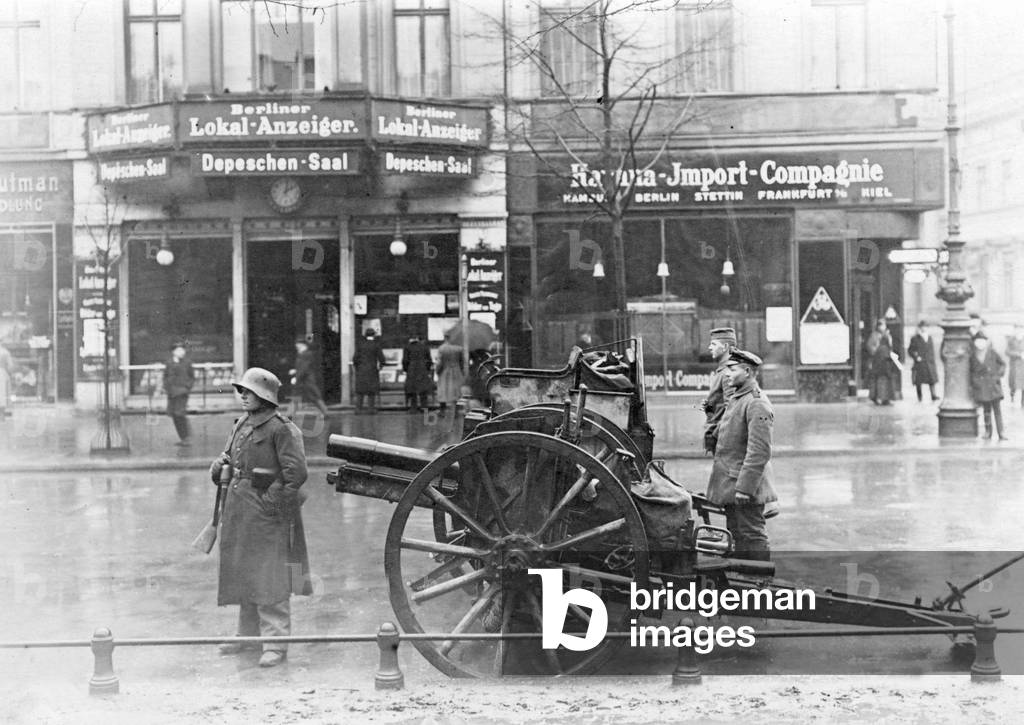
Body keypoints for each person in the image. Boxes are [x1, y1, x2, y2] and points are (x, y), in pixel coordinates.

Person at [209, 368, 312, 668]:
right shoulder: (242, 423)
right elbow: (232, 459)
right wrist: (218, 467)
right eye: (240, 390)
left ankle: (276, 642)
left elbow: (296, 474)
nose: (242, 395)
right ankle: (248, 636)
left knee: (271, 576)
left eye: (248, 391)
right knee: (244, 571)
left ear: (264, 395)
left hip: (268, 515)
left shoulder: (282, 428)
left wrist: (270, 504)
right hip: (239, 510)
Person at [705, 350, 778, 561]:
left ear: (747, 372)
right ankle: (743, 579)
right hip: (732, 483)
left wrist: (745, 489)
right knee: (737, 534)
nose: (726, 373)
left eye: (732, 369)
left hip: (744, 486)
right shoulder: (739, 398)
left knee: (752, 535)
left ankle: (760, 581)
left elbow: (759, 451)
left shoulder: (757, 403)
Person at [699, 327, 737, 455]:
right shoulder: (722, 370)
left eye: (713, 344)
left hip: (723, 440)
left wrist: (714, 434)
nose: (709, 348)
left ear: (725, 346)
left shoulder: (728, 372)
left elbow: (732, 410)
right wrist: (709, 407)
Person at [969, 332, 1007, 441]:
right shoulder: (972, 356)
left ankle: (1001, 432)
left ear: (986, 342)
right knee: (986, 411)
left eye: (982, 341)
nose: (980, 343)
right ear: (974, 343)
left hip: (993, 386)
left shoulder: (992, 353)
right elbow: (970, 371)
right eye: (977, 341)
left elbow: (1002, 364)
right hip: (981, 387)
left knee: (997, 410)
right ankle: (988, 431)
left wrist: (997, 375)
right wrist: (974, 381)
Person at [164, 342, 195, 446]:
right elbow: (166, 376)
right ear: (174, 352)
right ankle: (183, 437)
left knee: (179, 413)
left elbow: (192, 377)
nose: (182, 352)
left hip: (182, 392)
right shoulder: (169, 363)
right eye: (179, 350)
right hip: (172, 393)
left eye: (183, 349)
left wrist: (187, 387)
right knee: (174, 415)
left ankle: (187, 437)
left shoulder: (187, 362)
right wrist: (167, 388)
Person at [352, 328, 385, 414]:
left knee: (360, 391)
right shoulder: (376, 345)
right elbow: (382, 359)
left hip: (361, 369)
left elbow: (355, 358)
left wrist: (357, 367)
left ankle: (358, 409)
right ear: (373, 335)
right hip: (372, 369)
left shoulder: (360, 345)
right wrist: (380, 367)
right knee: (371, 391)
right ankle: (371, 409)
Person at [291, 339, 328, 416]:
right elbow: (301, 367)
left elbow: (304, 368)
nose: (296, 346)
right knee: (297, 396)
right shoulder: (302, 354)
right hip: (304, 379)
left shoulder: (306, 354)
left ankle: (325, 413)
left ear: (303, 345)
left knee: (314, 396)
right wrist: (295, 371)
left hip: (306, 379)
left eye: (298, 345)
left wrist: (296, 378)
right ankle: (291, 414)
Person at [865, 320, 897, 405]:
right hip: (877, 360)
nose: (882, 327)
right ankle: (877, 397)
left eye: (883, 325)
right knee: (878, 379)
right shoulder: (874, 335)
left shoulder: (887, 335)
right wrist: (876, 351)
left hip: (886, 360)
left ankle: (886, 398)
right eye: (881, 325)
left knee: (886, 379)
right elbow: (870, 346)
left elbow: (890, 347)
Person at [907, 320, 939, 403]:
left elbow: (931, 350)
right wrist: (916, 357)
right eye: (922, 327)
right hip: (920, 362)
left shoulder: (929, 337)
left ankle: (933, 395)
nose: (924, 328)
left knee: (931, 380)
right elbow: (910, 350)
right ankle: (919, 396)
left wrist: (932, 360)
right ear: (920, 328)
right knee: (919, 381)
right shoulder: (915, 338)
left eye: (925, 327)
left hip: (929, 362)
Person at [402, 333, 433, 411]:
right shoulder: (424, 347)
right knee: (423, 389)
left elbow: (405, 360)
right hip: (422, 369)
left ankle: (413, 407)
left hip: (411, 369)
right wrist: (427, 369)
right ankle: (424, 406)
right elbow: (429, 360)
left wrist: (406, 369)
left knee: (412, 389)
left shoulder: (407, 347)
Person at [435, 330, 465, 413]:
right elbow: (462, 362)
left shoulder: (442, 348)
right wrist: (461, 371)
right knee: (455, 391)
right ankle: (456, 410)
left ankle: (442, 410)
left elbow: (439, 363)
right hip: (456, 370)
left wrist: (437, 371)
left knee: (443, 390)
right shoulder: (459, 348)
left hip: (445, 371)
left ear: (445, 337)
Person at [1007, 323, 1024, 408]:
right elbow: (1007, 351)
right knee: (1013, 383)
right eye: (1017, 329)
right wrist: (1018, 354)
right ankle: (1012, 399)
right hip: (1014, 365)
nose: (1019, 331)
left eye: (1021, 329)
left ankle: (1022, 402)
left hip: (1023, 365)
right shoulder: (1011, 340)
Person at [0, 341, 14, 420]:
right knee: (2, 394)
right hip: (2, 373)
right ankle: (1, 415)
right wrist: (10, 374)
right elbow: (10, 366)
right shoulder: (5, 352)